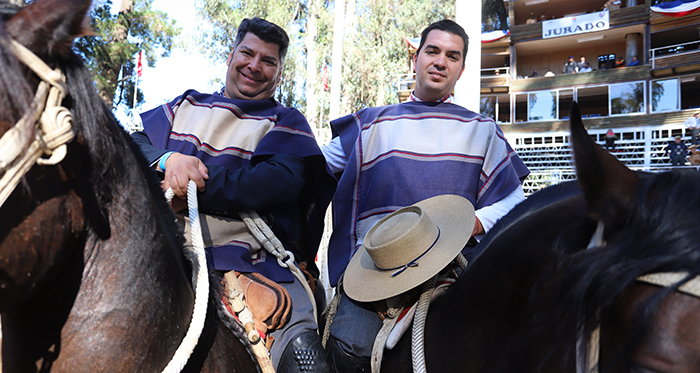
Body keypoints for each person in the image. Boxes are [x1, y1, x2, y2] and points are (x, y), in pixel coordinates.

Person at [321, 19, 529, 371]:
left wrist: (470, 224)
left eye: (452, 56)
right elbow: (312, 166)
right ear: (415, 59)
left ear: (461, 70)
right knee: (349, 349)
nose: (440, 62)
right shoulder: (371, 124)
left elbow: (513, 202)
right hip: (373, 269)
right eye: (432, 51)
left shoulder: (482, 131)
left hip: (449, 268)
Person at [131, 17, 335, 373]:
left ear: (279, 74)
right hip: (160, 251)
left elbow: (278, 182)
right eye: (247, 53)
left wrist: (195, 185)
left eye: (268, 61)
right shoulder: (185, 105)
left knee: (307, 362)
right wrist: (170, 159)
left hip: (253, 263)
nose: (255, 66)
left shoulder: (285, 120)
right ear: (231, 56)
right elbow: (133, 143)